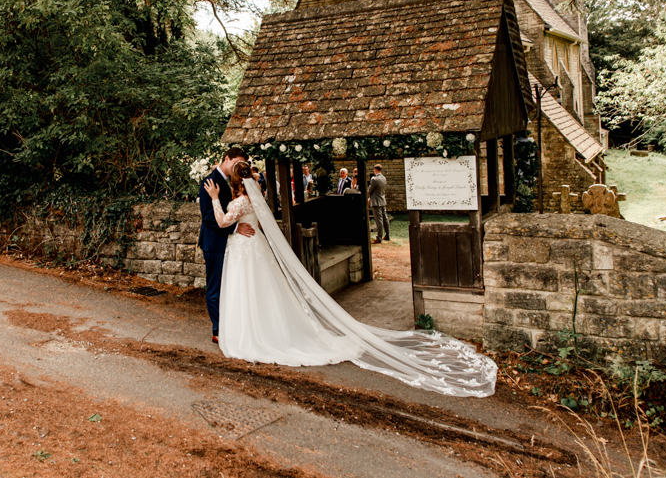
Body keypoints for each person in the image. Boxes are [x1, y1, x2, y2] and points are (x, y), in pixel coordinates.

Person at [203, 162, 496, 397]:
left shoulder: (239, 202)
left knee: (248, 291)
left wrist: (216, 199)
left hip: (244, 251)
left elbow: (221, 222)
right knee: (262, 291)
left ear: (235, 182)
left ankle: (252, 335)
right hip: (254, 249)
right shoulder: (256, 198)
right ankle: (264, 329)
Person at [198, 148, 256, 344]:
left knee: (231, 286)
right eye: (236, 162)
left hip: (233, 245)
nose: (237, 167)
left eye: (242, 164)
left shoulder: (236, 182)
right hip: (215, 243)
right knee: (215, 288)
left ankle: (232, 327)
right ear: (226, 159)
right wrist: (235, 228)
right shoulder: (210, 182)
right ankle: (218, 330)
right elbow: (208, 217)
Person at [368, 164, 390, 243]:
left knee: (379, 220)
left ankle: (378, 237)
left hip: (376, 201)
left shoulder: (374, 179)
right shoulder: (384, 178)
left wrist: (368, 195)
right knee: (385, 218)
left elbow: (370, 190)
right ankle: (387, 235)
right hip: (382, 200)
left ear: (375, 169)